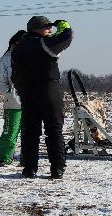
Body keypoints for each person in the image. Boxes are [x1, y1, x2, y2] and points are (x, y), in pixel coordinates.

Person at [10, 15, 74, 179]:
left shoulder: (18, 48)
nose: (49, 29)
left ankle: (29, 168)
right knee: (54, 131)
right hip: (48, 89)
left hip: (27, 92)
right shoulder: (44, 43)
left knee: (30, 132)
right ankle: (57, 168)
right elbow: (66, 38)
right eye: (46, 27)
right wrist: (64, 26)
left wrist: (21, 90)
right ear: (36, 29)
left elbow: (14, 74)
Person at [0, 30, 26, 167]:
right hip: (13, 103)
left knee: (28, 133)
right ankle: (4, 158)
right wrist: (10, 93)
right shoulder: (6, 59)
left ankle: (26, 157)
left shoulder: (31, 57)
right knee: (10, 132)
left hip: (30, 102)